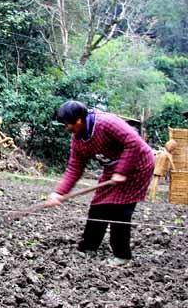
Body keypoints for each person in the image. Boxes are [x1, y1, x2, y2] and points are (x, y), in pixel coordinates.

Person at [45, 101, 154, 266]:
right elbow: (74, 168)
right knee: (99, 205)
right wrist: (59, 192)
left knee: (120, 209)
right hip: (113, 169)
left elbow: (134, 143)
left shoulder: (106, 123)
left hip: (138, 165)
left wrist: (122, 171)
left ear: (79, 120)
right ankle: (89, 246)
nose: (67, 128)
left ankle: (122, 256)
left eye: (68, 124)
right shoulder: (78, 140)